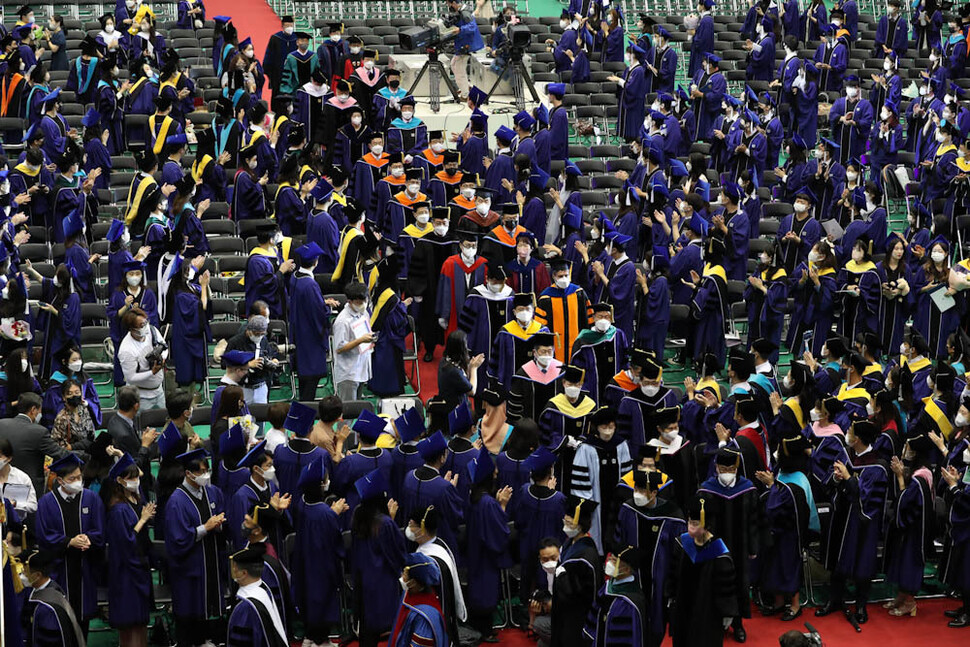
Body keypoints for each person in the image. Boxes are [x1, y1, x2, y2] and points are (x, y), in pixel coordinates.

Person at [816, 419, 889, 624]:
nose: (846, 433)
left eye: (850, 431)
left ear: (857, 438)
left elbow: (866, 498)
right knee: (837, 558)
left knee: (861, 563)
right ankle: (835, 600)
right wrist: (837, 478)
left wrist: (848, 478)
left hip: (862, 523)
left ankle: (860, 605)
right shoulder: (847, 454)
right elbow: (828, 480)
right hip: (840, 515)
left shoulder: (877, 465)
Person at [35, 453, 105, 637]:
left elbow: (100, 530)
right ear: (60, 480)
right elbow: (43, 536)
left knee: (83, 620)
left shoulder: (91, 498)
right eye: (72, 479)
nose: (77, 482)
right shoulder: (46, 503)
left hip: (84, 569)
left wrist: (89, 538)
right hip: (60, 570)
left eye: (79, 477)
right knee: (59, 620)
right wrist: (68, 542)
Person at [614, 469, 685, 646]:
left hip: (660, 583)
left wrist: (673, 587)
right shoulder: (627, 510)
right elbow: (618, 541)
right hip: (632, 578)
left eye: (642, 490)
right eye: (636, 489)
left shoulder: (674, 517)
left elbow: (679, 556)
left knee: (655, 623)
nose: (637, 494)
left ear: (654, 492)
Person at [697, 447, 761, 642]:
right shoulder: (706, 490)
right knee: (714, 583)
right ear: (716, 467)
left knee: (739, 584)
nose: (726, 471)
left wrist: (753, 547)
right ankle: (714, 622)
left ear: (737, 466)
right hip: (715, 548)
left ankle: (738, 623)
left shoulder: (747, 488)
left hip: (740, 548)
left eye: (730, 468)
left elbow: (754, 520)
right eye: (722, 467)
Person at [165, 448, 227, 647]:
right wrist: (205, 528)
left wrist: (220, 525)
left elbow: (225, 521)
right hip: (188, 566)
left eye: (206, 470)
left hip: (210, 561)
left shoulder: (212, 492)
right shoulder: (176, 501)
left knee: (207, 607)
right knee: (189, 608)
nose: (204, 475)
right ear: (188, 473)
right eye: (200, 471)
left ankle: (205, 639)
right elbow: (178, 539)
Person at [292, 456, 347, 647]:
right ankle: (319, 640)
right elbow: (335, 542)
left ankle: (311, 637)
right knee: (322, 603)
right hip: (323, 567)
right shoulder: (324, 513)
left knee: (308, 600)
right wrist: (334, 514)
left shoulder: (302, 503)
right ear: (319, 485)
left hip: (305, 562)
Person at [670, 494, 738, 647]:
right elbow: (673, 574)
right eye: (690, 522)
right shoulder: (682, 544)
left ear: (707, 525)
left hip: (708, 613)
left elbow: (725, 588)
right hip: (683, 608)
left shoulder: (720, 554)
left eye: (695, 523)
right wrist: (670, 595)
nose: (690, 527)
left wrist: (727, 612)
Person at [102, 453, 155, 647]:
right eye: (132, 478)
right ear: (120, 481)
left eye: (137, 477)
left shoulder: (135, 501)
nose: (136, 480)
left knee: (140, 623)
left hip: (138, 569)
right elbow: (125, 542)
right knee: (129, 624)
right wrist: (142, 520)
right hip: (125, 574)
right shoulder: (118, 510)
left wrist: (121, 456)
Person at [351, 469, 407, 647]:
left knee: (368, 632)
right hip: (383, 582)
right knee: (392, 627)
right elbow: (396, 553)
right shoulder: (385, 523)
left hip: (363, 579)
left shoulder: (358, 517)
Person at [407, 505, 466, 644]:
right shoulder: (439, 544)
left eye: (411, 525)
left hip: (432, 619)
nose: (408, 529)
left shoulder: (431, 562)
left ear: (422, 529)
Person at [551, 495, 602, 647]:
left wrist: (561, 576)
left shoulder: (587, 556)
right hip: (563, 612)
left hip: (577, 617)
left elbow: (580, 593)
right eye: (564, 521)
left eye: (569, 523)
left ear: (580, 525)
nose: (565, 526)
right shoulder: (570, 543)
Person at [288, 242, 334, 400]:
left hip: (299, 332)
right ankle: (306, 422)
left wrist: (322, 301)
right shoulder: (310, 285)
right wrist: (326, 309)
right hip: (310, 340)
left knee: (304, 383)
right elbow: (318, 315)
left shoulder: (295, 277)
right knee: (309, 387)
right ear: (316, 261)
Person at [0, 393, 69, 494]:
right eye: (40, 410)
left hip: (3, 483)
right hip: (28, 487)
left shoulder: (1, 424)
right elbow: (60, 454)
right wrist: (84, 455)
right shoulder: (39, 432)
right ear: (33, 410)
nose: (40, 414)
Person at [583, 547, 649, 647]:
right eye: (610, 559)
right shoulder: (607, 587)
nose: (609, 564)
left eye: (615, 562)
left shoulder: (632, 602)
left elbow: (634, 638)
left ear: (627, 570)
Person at [21, 549, 87, 647]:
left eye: (26, 572)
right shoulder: (53, 588)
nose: (23, 576)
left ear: (38, 575)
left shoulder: (48, 609)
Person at [225, 545, 288, 647]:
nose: (233, 571)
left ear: (244, 573)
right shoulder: (264, 588)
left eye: (235, 568)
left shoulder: (245, 607)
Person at [388, 553, 451, 647]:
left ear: (413, 582)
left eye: (405, 574)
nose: (402, 577)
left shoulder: (425, 615)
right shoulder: (409, 593)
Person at [332, 281, 374, 402]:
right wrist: (361, 340)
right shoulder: (342, 321)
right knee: (347, 413)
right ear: (349, 301)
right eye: (359, 302)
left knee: (357, 410)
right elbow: (339, 348)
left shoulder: (363, 313)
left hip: (361, 367)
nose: (362, 304)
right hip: (348, 373)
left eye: (364, 301)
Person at [0, 436, 38, 516]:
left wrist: (15, 504)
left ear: (9, 458)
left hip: (16, 524)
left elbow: (33, 506)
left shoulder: (21, 478)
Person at [262, 15, 298, 99]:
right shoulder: (275, 38)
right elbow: (269, 55)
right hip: (278, 74)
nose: (289, 28)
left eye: (291, 25)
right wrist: (270, 72)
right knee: (277, 96)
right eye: (287, 25)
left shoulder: (296, 38)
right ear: (282, 26)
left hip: (293, 74)